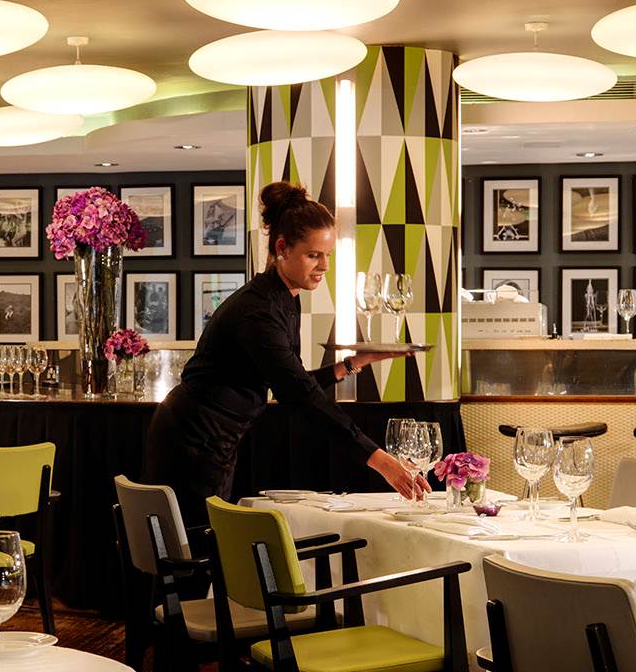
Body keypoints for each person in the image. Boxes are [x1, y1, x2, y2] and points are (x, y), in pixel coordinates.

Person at [143, 181, 425, 530]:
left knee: (205, 550)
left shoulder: (285, 298)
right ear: (282, 248)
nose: (324, 266)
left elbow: (291, 380)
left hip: (214, 436)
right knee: (196, 554)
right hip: (192, 441)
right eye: (313, 255)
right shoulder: (258, 311)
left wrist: (354, 363)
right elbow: (300, 396)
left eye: (327, 256)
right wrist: (380, 460)